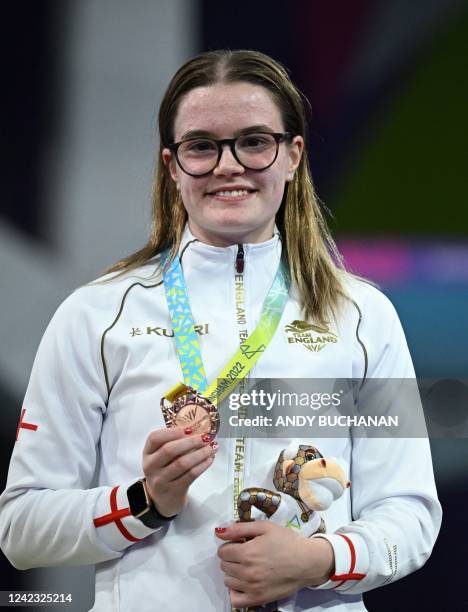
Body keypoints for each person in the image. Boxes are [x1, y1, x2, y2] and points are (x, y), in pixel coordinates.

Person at [0, 49, 441, 611]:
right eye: (202, 146)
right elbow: (20, 529)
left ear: (292, 155)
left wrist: (320, 559)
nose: (228, 165)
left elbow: (412, 514)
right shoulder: (97, 315)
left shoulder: (360, 315)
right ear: (172, 164)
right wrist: (145, 501)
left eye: (254, 142)